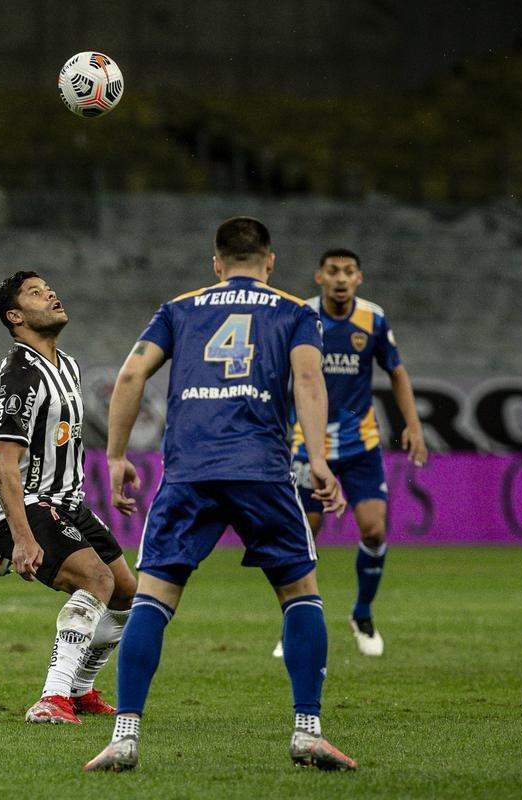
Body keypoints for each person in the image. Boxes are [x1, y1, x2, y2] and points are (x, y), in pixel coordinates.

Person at [84, 217, 357, 772]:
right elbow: (308, 380)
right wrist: (321, 460)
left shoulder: (179, 309)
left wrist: (114, 458)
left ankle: (124, 737)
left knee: (153, 599)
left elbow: (132, 376)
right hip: (262, 470)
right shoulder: (296, 312)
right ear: (270, 261)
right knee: (301, 592)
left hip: (190, 470)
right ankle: (307, 731)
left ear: (216, 263)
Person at [0, 270, 138, 726]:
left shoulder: (68, 365)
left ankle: (80, 690)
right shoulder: (20, 376)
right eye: (36, 293)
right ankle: (52, 697)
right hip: (30, 506)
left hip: (68, 503)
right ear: (16, 316)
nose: (51, 294)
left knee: (126, 592)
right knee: (97, 581)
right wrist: (17, 534)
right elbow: (5, 463)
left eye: (50, 288)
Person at [276, 248, 427, 658]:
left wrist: (413, 425)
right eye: (333, 271)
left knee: (374, 529)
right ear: (319, 276)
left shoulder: (373, 319)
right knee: (303, 533)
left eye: (348, 272)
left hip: (361, 444)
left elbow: (396, 372)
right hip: (309, 443)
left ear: (359, 278)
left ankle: (361, 613)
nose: (341, 278)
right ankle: (294, 622)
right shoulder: (300, 315)